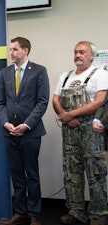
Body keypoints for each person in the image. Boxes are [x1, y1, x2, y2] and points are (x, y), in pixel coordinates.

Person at [52, 41, 108, 225]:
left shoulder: (100, 74)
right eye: (75, 52)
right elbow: (56, 99)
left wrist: (71, 114)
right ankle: (76, 211)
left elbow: (99, 101)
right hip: (69, 131)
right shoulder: (65, 76)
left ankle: (98, 215)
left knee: (95, 173)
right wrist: (65, 116)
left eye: (82, 52)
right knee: (71, 172)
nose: (78, 55)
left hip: (91, 130)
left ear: (92, 55)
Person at [0, 37, 49, 225]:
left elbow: (42, 102)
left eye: (15, 49)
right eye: (10, 49)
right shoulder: (5, 73)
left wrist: (26, 125)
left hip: (30, 132)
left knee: (31, 173)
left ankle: (34, 214)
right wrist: (5, 123)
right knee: (16, 173)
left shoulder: (39, 71)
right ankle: (20, 213)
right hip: (9, 132)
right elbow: (0, 103)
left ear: (25, 51)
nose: (11, 53)